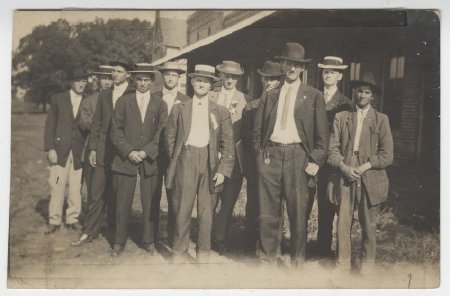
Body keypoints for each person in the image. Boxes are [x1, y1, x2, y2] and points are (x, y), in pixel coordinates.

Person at [253, 42, 328, 267]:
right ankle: (267, 260)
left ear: (303, 68)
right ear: (282, 65)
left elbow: (323, 138)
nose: (292, 69)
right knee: (267, 213)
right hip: (271, 156)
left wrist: (315, 159)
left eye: (297, 65)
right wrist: (260, 158)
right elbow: (257, 131)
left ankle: (297, 265)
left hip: (298, 157)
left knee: (297, 214)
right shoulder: (271, 95)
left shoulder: (313, 96)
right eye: (288, 64)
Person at [165, 64, 235, 263]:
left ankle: (203, 254)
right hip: (186, 160)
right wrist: (177, 160)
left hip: (210, 162)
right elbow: (169, 138)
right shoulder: (180, 108)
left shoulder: (220, 111)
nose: (201, 84)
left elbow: (228, 144)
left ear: (212, 85)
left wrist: (223, 170)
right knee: (182, 208)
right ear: (192, 82)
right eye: (198, 80)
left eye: (206, 81)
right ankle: (179, 252)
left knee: (206, 211)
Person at [327, 72, 393, 274]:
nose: (362, 95)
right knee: (343, 222)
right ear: (354, 93)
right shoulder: (342, 117)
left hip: (369, 173)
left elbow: (387, 155)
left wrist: (365, 166)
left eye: (367, 92)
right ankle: (342, 265)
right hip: (346, 169)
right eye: (359, 91)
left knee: (368, 223)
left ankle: (366, 268)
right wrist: (344, 167)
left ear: (372, 96)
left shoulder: (381, 120)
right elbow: (332, 150)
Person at [109, 63, 167, 257]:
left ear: (152, 81)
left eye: (146, 80)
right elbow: (115, 131)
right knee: (122, 202)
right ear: (134, 80)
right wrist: (129, 151)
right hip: (126, 159)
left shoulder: (160, 103)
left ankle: (149, 239)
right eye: (139, 80)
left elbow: (162, 131)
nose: (142, 83)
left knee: (150, 201)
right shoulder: (123, 101)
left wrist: (147, 151)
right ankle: (119, 240)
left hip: (150, 160)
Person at [72, 59, 132, 246]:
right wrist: (93, 149)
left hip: (123, 153)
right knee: (96, 192)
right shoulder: (105, 95)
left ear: (127, 75)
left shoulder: (134, 94)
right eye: (113, 71)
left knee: (118, 195)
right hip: (102, 151)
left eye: (119, 71)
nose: (115, 74)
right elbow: (96, 124)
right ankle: (90, 231)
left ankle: (117, 234)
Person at [310, 56, 352, 257]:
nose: (328, 75)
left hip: (330, 162)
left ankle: (323, 249)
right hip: (311, 158)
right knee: (305, 200)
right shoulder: (313, 97)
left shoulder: (345, 103)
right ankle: (299, 248)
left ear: (340, 76)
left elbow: (344, 136)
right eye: (325, 71)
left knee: (327, 204)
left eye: (332, 72)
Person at [241, 60, 283, 253]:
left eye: (273, 80)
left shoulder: (283, 108)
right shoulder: (251, 106)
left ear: (279, 82)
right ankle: (250, 244)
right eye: (266, 79)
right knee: (254, 203)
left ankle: (274, 245)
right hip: (256, 162)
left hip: (276, 165)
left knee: (273, 207)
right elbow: (246, 135)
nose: (269, 83)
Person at [44, 67, 89, 234]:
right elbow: (50, 125)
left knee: (76, 187)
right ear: (72, 82)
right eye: (78, 81)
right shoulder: (58, 99)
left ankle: (72, 218)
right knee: (57, 184)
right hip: (60, 150)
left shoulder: (88, 100)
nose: (81, 84)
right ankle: (54, 220)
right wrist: (50, 148)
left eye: (84, 81)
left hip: (78, 151)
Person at [210, 60, 248, 255]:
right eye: (227, 76)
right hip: (211, 155)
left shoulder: (244, 99)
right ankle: (205, 235)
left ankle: (220, 237)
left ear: (238, 79)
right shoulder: (211, 96)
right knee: (210, 197)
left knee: (228, 199)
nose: (230, 80)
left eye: (234, 77)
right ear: (221, 76)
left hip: (234, 157)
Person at [152, 61, 190, 247]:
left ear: (178, 78)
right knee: (152, 191)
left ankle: (173, 235)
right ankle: (151, 234)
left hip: (176, 154)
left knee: (175, 193)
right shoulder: (153, 97)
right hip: (155, 152)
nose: (170, 78)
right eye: (167, 74)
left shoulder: (186, 100)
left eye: (174, 75)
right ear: (162, 76)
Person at [78, 65, 113, 210]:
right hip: (92, 148)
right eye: (104, 78)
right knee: (93, 187)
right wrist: (99, 123)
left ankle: (110, 221)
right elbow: (83, 122)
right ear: (98, 80)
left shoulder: (119, 98)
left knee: (112, 188)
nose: (107, 82)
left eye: (110, 79)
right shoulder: (89, 100)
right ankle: (92, 219)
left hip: (113, 148)